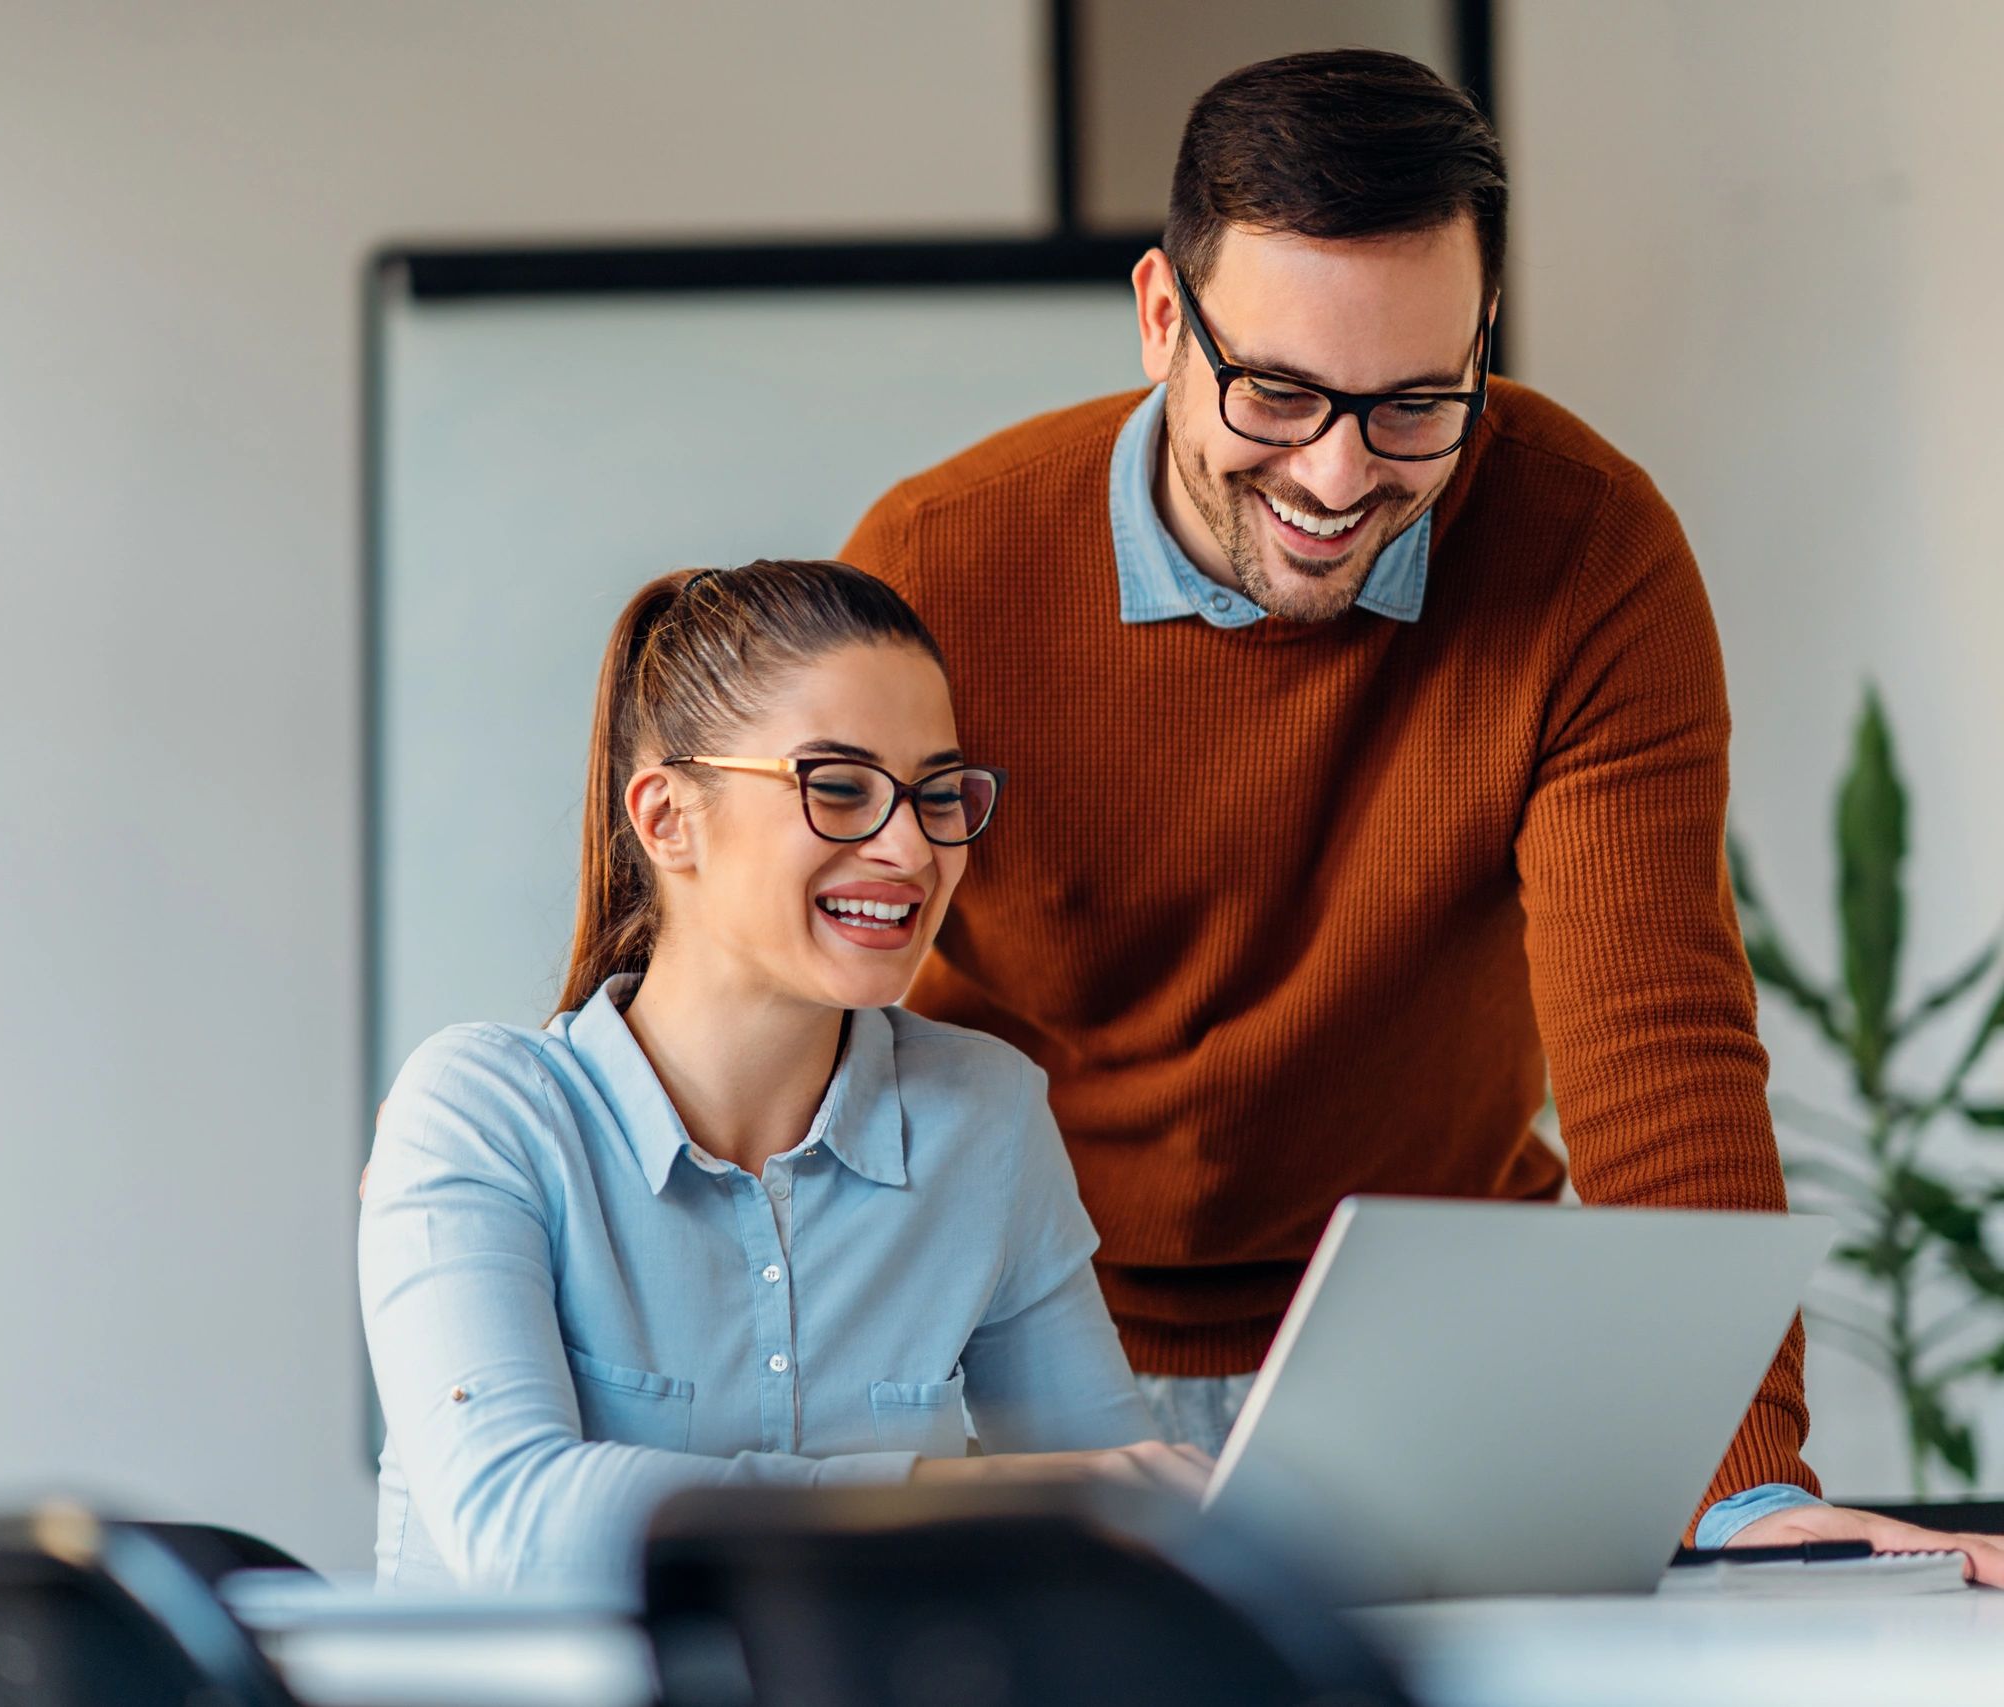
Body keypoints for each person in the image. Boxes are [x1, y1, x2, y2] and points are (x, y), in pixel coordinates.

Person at [839, 48, 2004, 1580]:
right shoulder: (943, 562)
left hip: (1425, 1358)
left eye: (1414, 406)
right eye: (1278, 392)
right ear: (1158, 318)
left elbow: (1655, 1038)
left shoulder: (1589, 553)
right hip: (1018, 1345)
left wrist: (1743, 1489)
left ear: (1481, 344)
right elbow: (808, 989)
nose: (1337, 472)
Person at [358, 560, 1207, 1588]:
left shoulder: (984, 1117)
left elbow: (1121, 1524)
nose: (909, 847)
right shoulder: (483, 1114)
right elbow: (517, 1523)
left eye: (938, 795)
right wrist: (950, 1497)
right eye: (838, 787)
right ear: (667, 818)